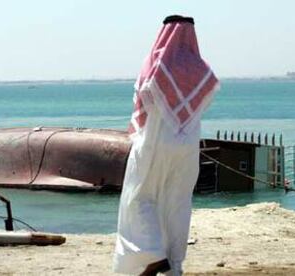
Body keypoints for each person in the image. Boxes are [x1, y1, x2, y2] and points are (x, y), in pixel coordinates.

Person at [113, 15, 219, 275]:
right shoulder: (201, 69)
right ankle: (175, 265)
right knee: (177, 203)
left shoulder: (156, 62)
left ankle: (152, 254)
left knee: (139, 197)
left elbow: (143, 103)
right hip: (187, 146)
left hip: (155, 142)